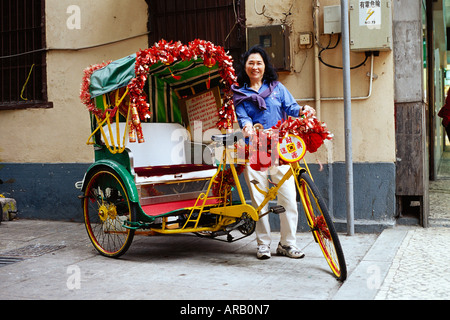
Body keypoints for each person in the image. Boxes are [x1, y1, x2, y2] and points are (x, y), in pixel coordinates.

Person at [232, 45, 312, 260]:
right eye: (251, 63)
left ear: (264, 66)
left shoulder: (277, 88)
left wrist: (303, 110)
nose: (255, 67)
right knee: (259, 200)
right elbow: (243, 117)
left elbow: (292, 108)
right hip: (255, 150)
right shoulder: (239, 92)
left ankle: (287, 244)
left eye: (259, 63)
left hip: (281, 149)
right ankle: (263, 244)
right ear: (245, 66)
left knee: (287, 197)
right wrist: (247, 127)